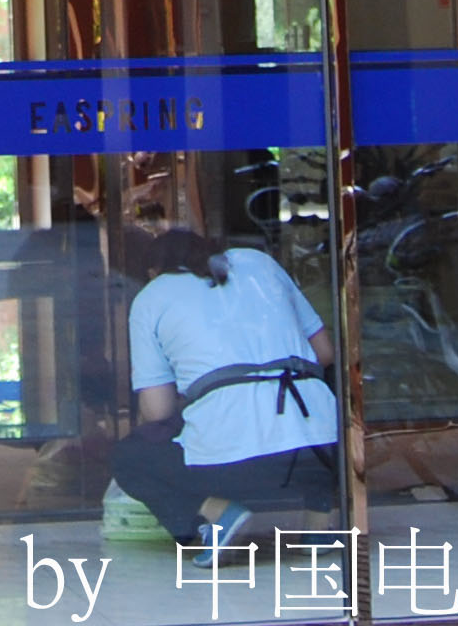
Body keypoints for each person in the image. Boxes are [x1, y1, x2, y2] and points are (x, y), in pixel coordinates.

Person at [110, 225, 341, 548]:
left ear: (153, 271)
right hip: (320, 452)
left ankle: (218, 514)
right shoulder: (260, 263)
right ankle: (320, 521)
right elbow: (325, 353)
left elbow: (158, 409)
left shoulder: (151, 296)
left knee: (130, 456)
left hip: (230, 469)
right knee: (314, 408)